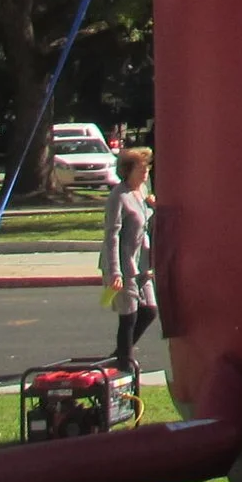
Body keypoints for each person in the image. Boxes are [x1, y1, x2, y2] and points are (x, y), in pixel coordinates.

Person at [100, 147, 157, 366]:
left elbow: (147, 224)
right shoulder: (118, 196)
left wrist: (153, 206)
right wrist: (115, 272)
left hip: (141, 265)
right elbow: (111, 236)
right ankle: (125, 363)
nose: (146, 173)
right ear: (128, 170)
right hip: (124, 266)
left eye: (147, 168)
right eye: (141, 169)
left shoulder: (142, 192)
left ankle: (118, 355)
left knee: (150, 311)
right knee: (129, 317)